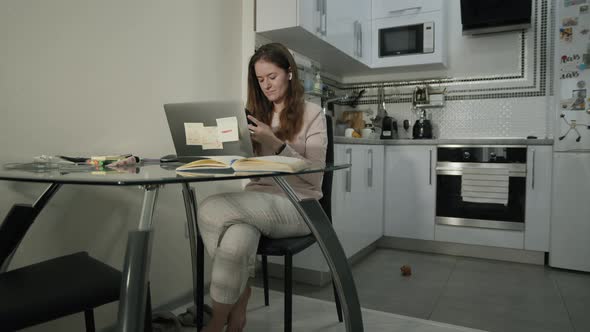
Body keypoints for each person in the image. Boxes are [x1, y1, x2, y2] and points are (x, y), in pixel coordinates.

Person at [197, 42, 327, 332]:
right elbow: (248, 167)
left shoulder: (313, 114)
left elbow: (315, 176)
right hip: (256, 203)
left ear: (289, 73)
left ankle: (218, 321)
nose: (266, 85)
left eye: (272, 77)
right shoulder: (255, 116)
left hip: (299, 205)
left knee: (210, 207)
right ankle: (232, 319)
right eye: (260, 79)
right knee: (236, 238)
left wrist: (275, 144)